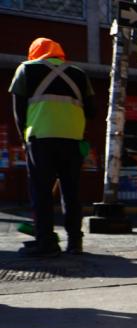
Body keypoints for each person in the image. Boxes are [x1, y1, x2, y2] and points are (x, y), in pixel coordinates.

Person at [9, 37, 95, 257]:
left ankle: (46, 242)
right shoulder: (79, 73)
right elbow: (92, 111)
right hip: (73, 140)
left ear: (35, 53)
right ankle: (75, 243)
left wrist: (24, 139)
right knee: (72, 192)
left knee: (41, 191)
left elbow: (19, 113)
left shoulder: (26, 69)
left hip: (40, 139)